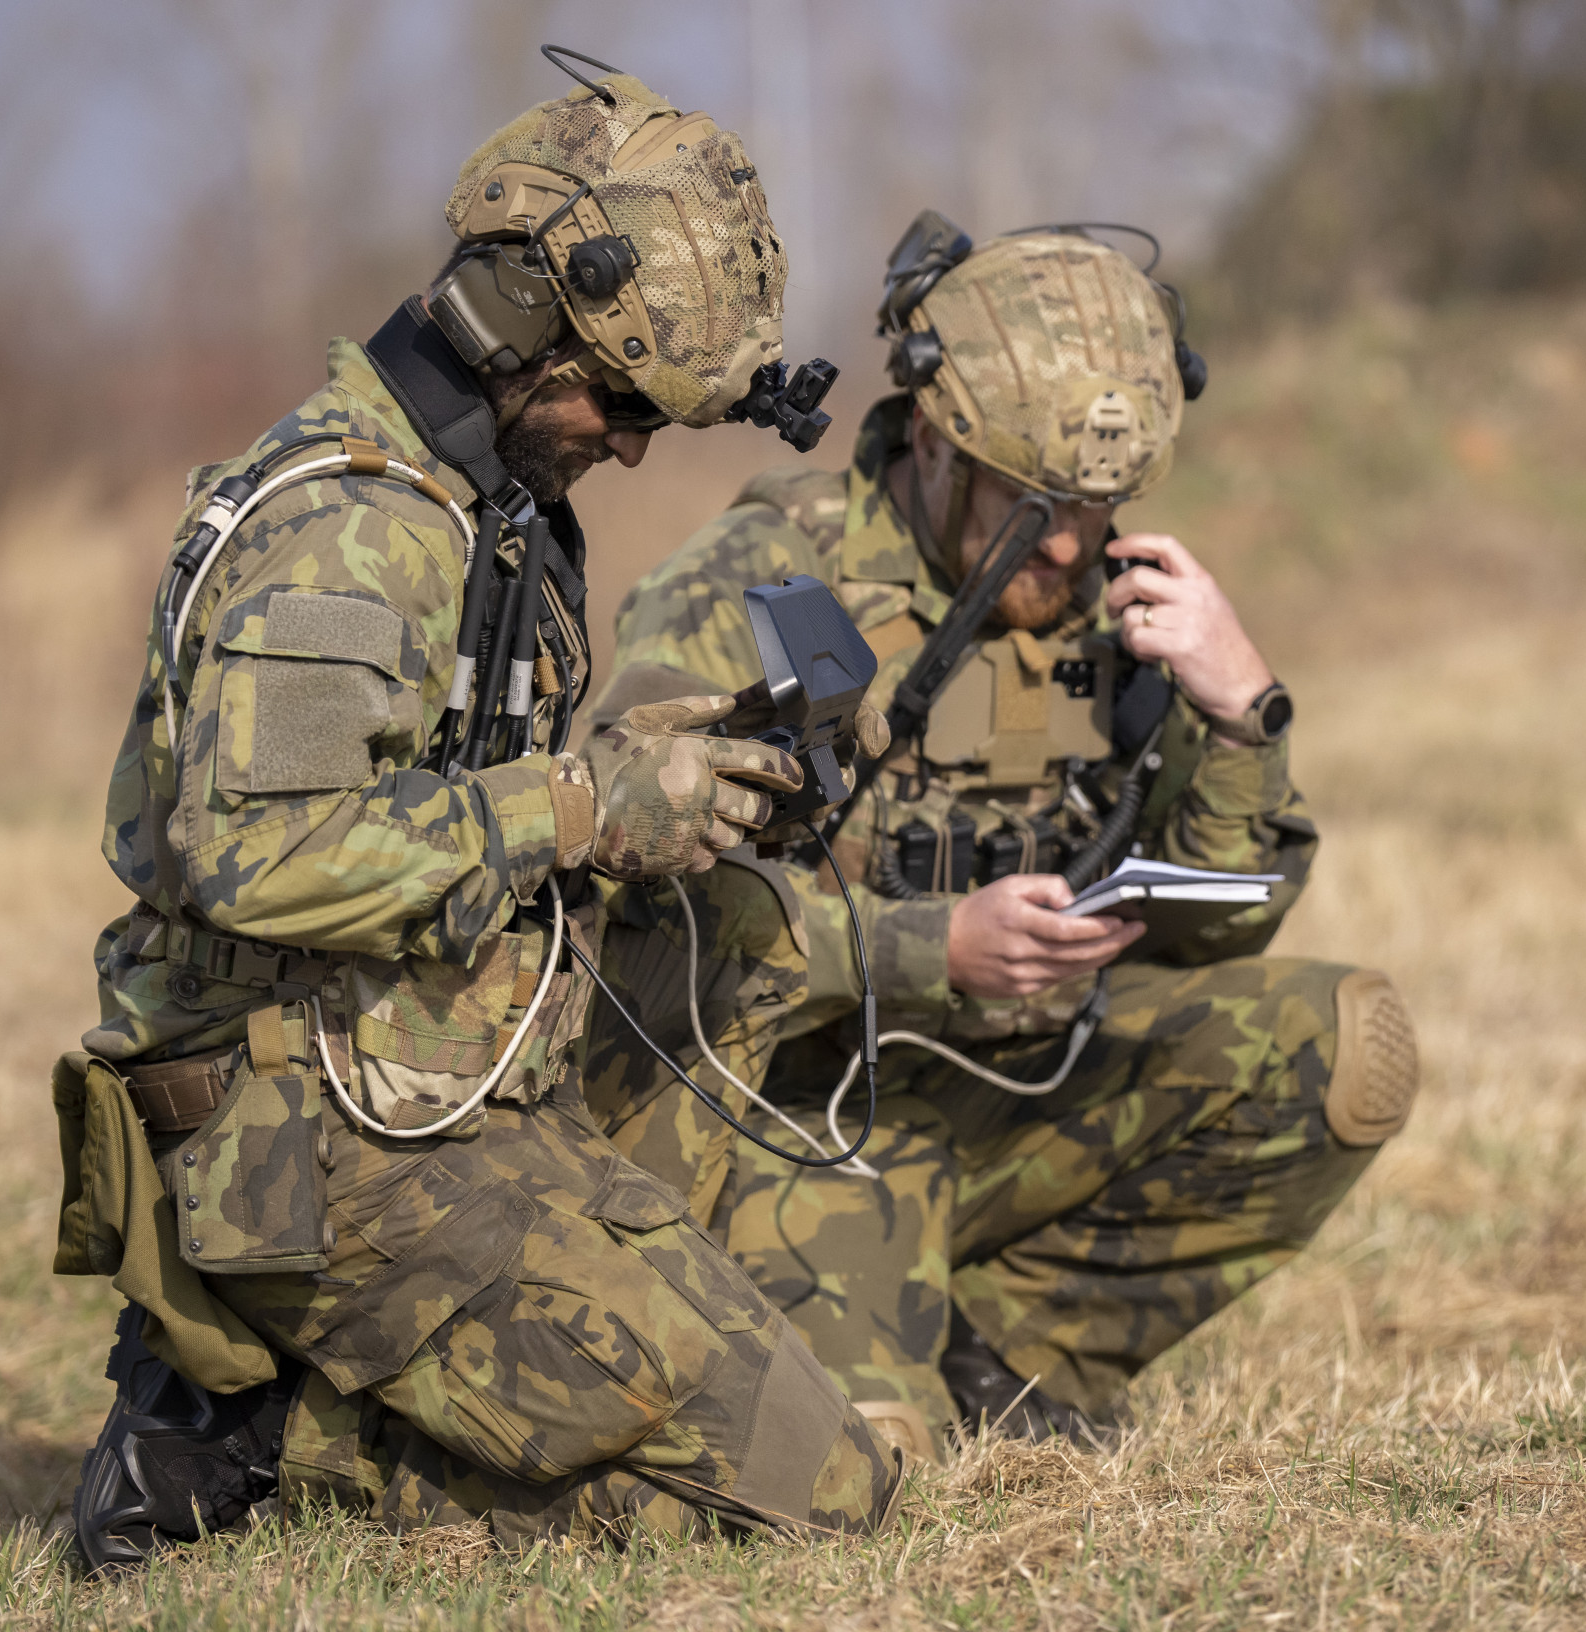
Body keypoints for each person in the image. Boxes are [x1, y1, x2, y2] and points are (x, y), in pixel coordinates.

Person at [51, 59, 901, 1570]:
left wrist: (663, 777)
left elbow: (436, 799)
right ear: (520, 323)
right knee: (809, 1486)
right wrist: (576, 805)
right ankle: (248, 1433)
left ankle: (405, 1369)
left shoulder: (476, 508)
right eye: (620, 400)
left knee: (747, 941)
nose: (630, 445)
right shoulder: (349, 529)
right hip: (300, 1128)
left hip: (426, 1061)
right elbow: (255, 854)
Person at [577, 216, 1420, 1460]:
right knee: (864, 1466)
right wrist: (929, 949)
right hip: (810, 1121)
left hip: (1019, 1092)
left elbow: (1231, 923)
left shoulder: (1114, 606)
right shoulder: (762, 583)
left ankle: (1017, 1354)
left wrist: (1244, 714)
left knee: (1350, 1048)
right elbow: (642, 904)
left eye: (1098, 504)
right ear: (932, 439)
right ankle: (891, 1362)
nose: (1073, 544)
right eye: (1035, 506)